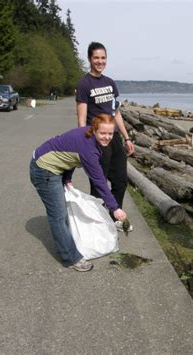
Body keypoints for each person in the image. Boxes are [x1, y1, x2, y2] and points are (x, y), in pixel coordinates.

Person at [30, 114, 128, 272]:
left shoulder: (89, 137)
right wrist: (114, 208)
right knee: (58, 216)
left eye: (110, 134)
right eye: (103, 133)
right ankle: (71, 258)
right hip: (44, 170)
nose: (107, 137)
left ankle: (69, 243)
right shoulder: (89, 149)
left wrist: (67, 177)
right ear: (94, 130)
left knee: (61, 213)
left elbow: (71, 155)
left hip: (54, 168)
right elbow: (100, 182)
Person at [76, 42, 134, 233]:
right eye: (96, 58)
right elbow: (82, 118)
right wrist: (84, 142)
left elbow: (116, 113)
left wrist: (126, 138)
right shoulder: (85, 84)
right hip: (97, 139)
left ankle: (114, 216)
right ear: (90, 59)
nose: (100, 61)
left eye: (103, 58)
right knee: (98, 183)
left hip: (114, 137)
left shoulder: (110, 83)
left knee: (120, 180)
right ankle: (98, 221)